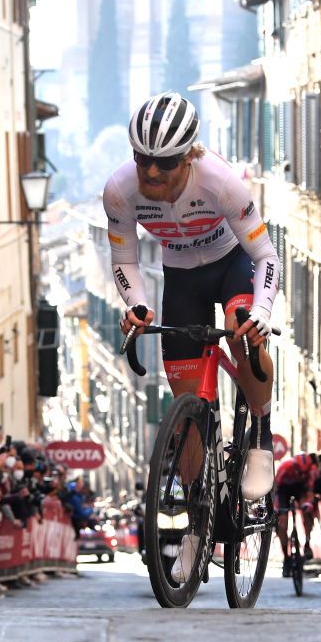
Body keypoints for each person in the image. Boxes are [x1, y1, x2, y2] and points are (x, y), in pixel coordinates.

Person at [104, 92, 281, 582]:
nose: (152, 175)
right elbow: (124, 261)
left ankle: (261, 435)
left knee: (243, 328)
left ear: (189, 157)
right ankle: (198, 527)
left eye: (163, 164)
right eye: (143, 161)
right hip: (180, 276)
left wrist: (262, 311)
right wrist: (137, 306)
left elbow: (267, 256)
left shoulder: (220, 181)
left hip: (233, 265)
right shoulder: (119, 190)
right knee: (186, 407)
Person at [274, 452, 317, 576]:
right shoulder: (285, 467)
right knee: (281, 522)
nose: (301, 474)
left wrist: (308, 503)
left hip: (300, 488)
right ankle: (286, 558)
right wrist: (277, 508)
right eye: (299, 471)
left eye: (304, 472)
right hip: (283, 490)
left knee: (307, 511)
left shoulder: (311, 470)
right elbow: (276, 490)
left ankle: (307, 544)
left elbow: (310, 490)